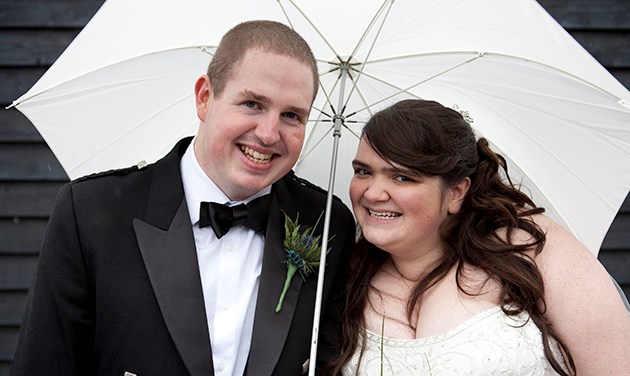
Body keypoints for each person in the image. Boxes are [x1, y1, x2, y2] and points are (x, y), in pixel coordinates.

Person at [10, 20, 355, 376]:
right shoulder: (91, 212)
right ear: (205, 97)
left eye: (291, 115)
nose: (269, 134)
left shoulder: (328, 224)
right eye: (252, 104)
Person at [326, 99, 630, 375]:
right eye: (364, 172)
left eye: (402, 177)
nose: (373, 193)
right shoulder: (345, 276)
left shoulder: (528, 247)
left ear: (456, 192)